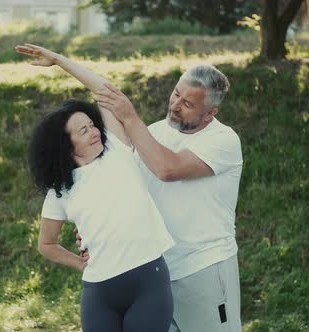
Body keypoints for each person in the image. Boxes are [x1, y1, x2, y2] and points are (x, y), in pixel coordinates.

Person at [16, 44, 175, 332]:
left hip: (148, 281)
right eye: (83, 130)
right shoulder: (60, 190)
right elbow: (47, 245)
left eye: (92, 125)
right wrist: (81, 264)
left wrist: (59, 60)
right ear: (66, 146)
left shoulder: (116, 149)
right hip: (99, 292)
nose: (94, 132)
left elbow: (106, 91)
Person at [95, 65, 243, 332]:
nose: (175, 105)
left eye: (187, 103)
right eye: (176, 94)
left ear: (210, 113)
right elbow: (129, 193)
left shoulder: (224, 140)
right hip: (155, 272)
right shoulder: (155, 132)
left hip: (203, 268)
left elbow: (167, 169)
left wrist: (130, 119)